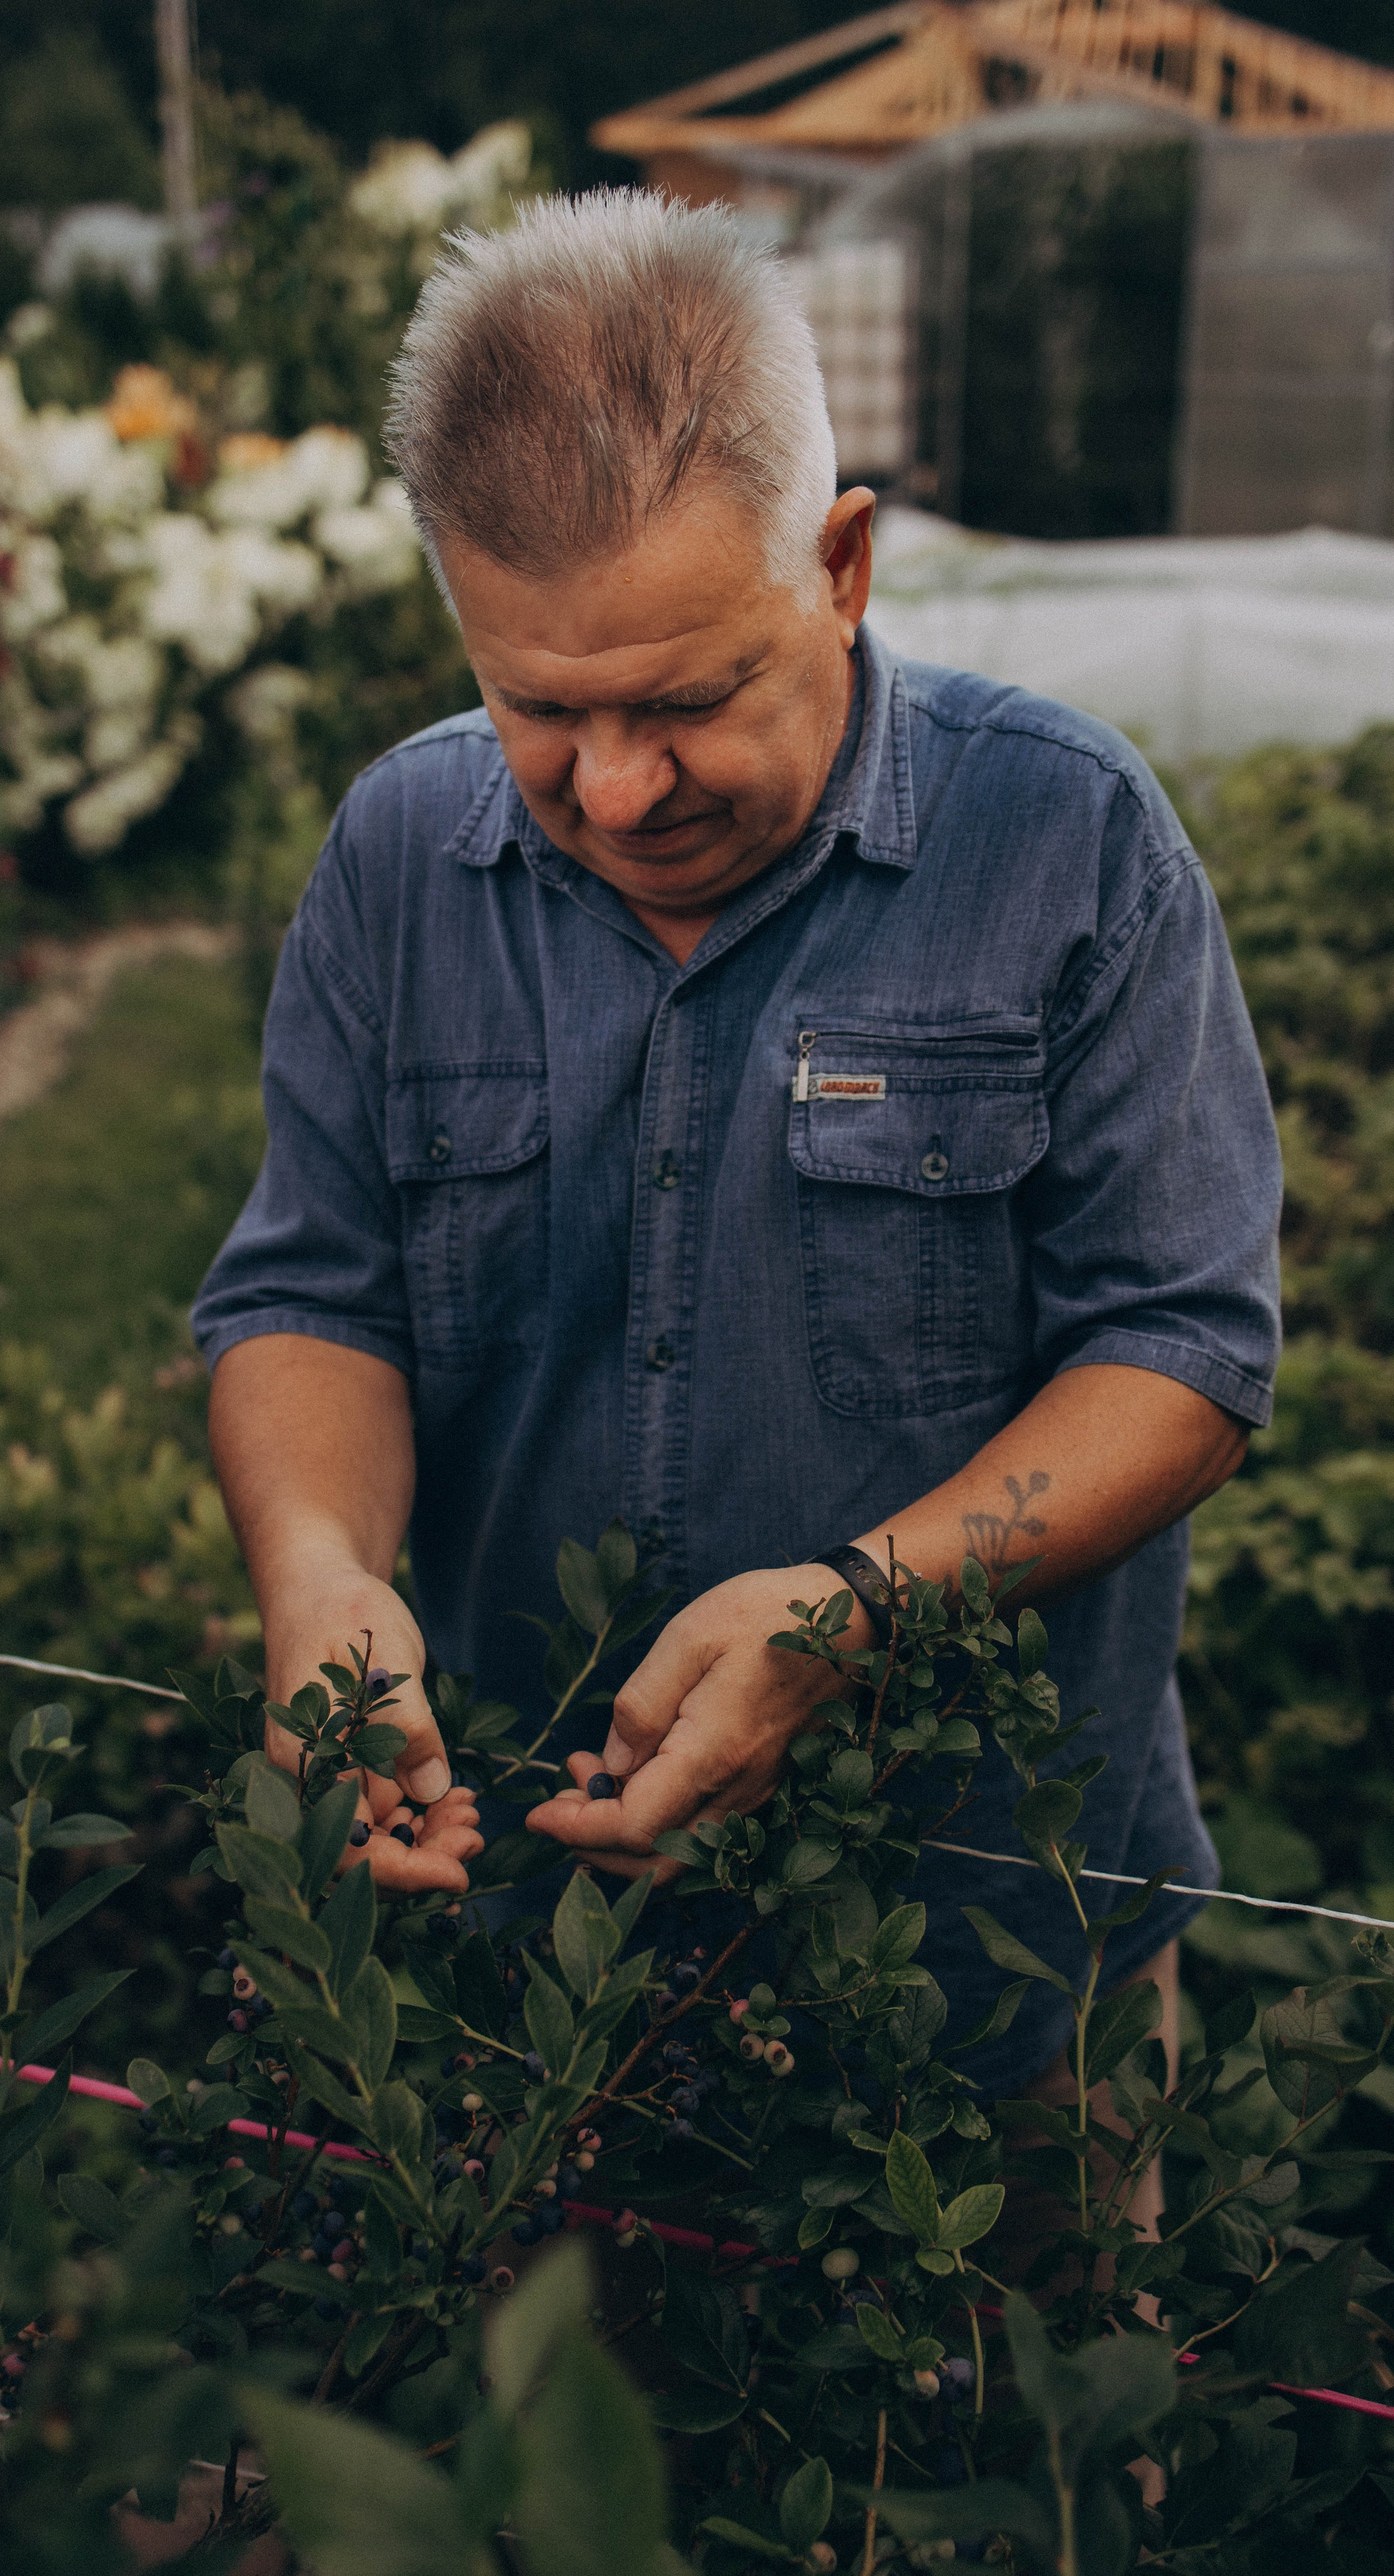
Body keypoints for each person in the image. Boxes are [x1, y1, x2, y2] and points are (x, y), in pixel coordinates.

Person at [192, 190, 1280, 2114]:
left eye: (688, 699)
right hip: (535, 1928)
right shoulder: (397, 857)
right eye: (538, 705)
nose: (615, 788)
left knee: (1016, 2401)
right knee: (563, 2407)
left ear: (844, 566)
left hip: (989, 1939)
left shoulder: (1071, 846)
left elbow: (1184, 1352)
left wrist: (857, 1611)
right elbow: (311, 1287)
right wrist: (319, 1575)